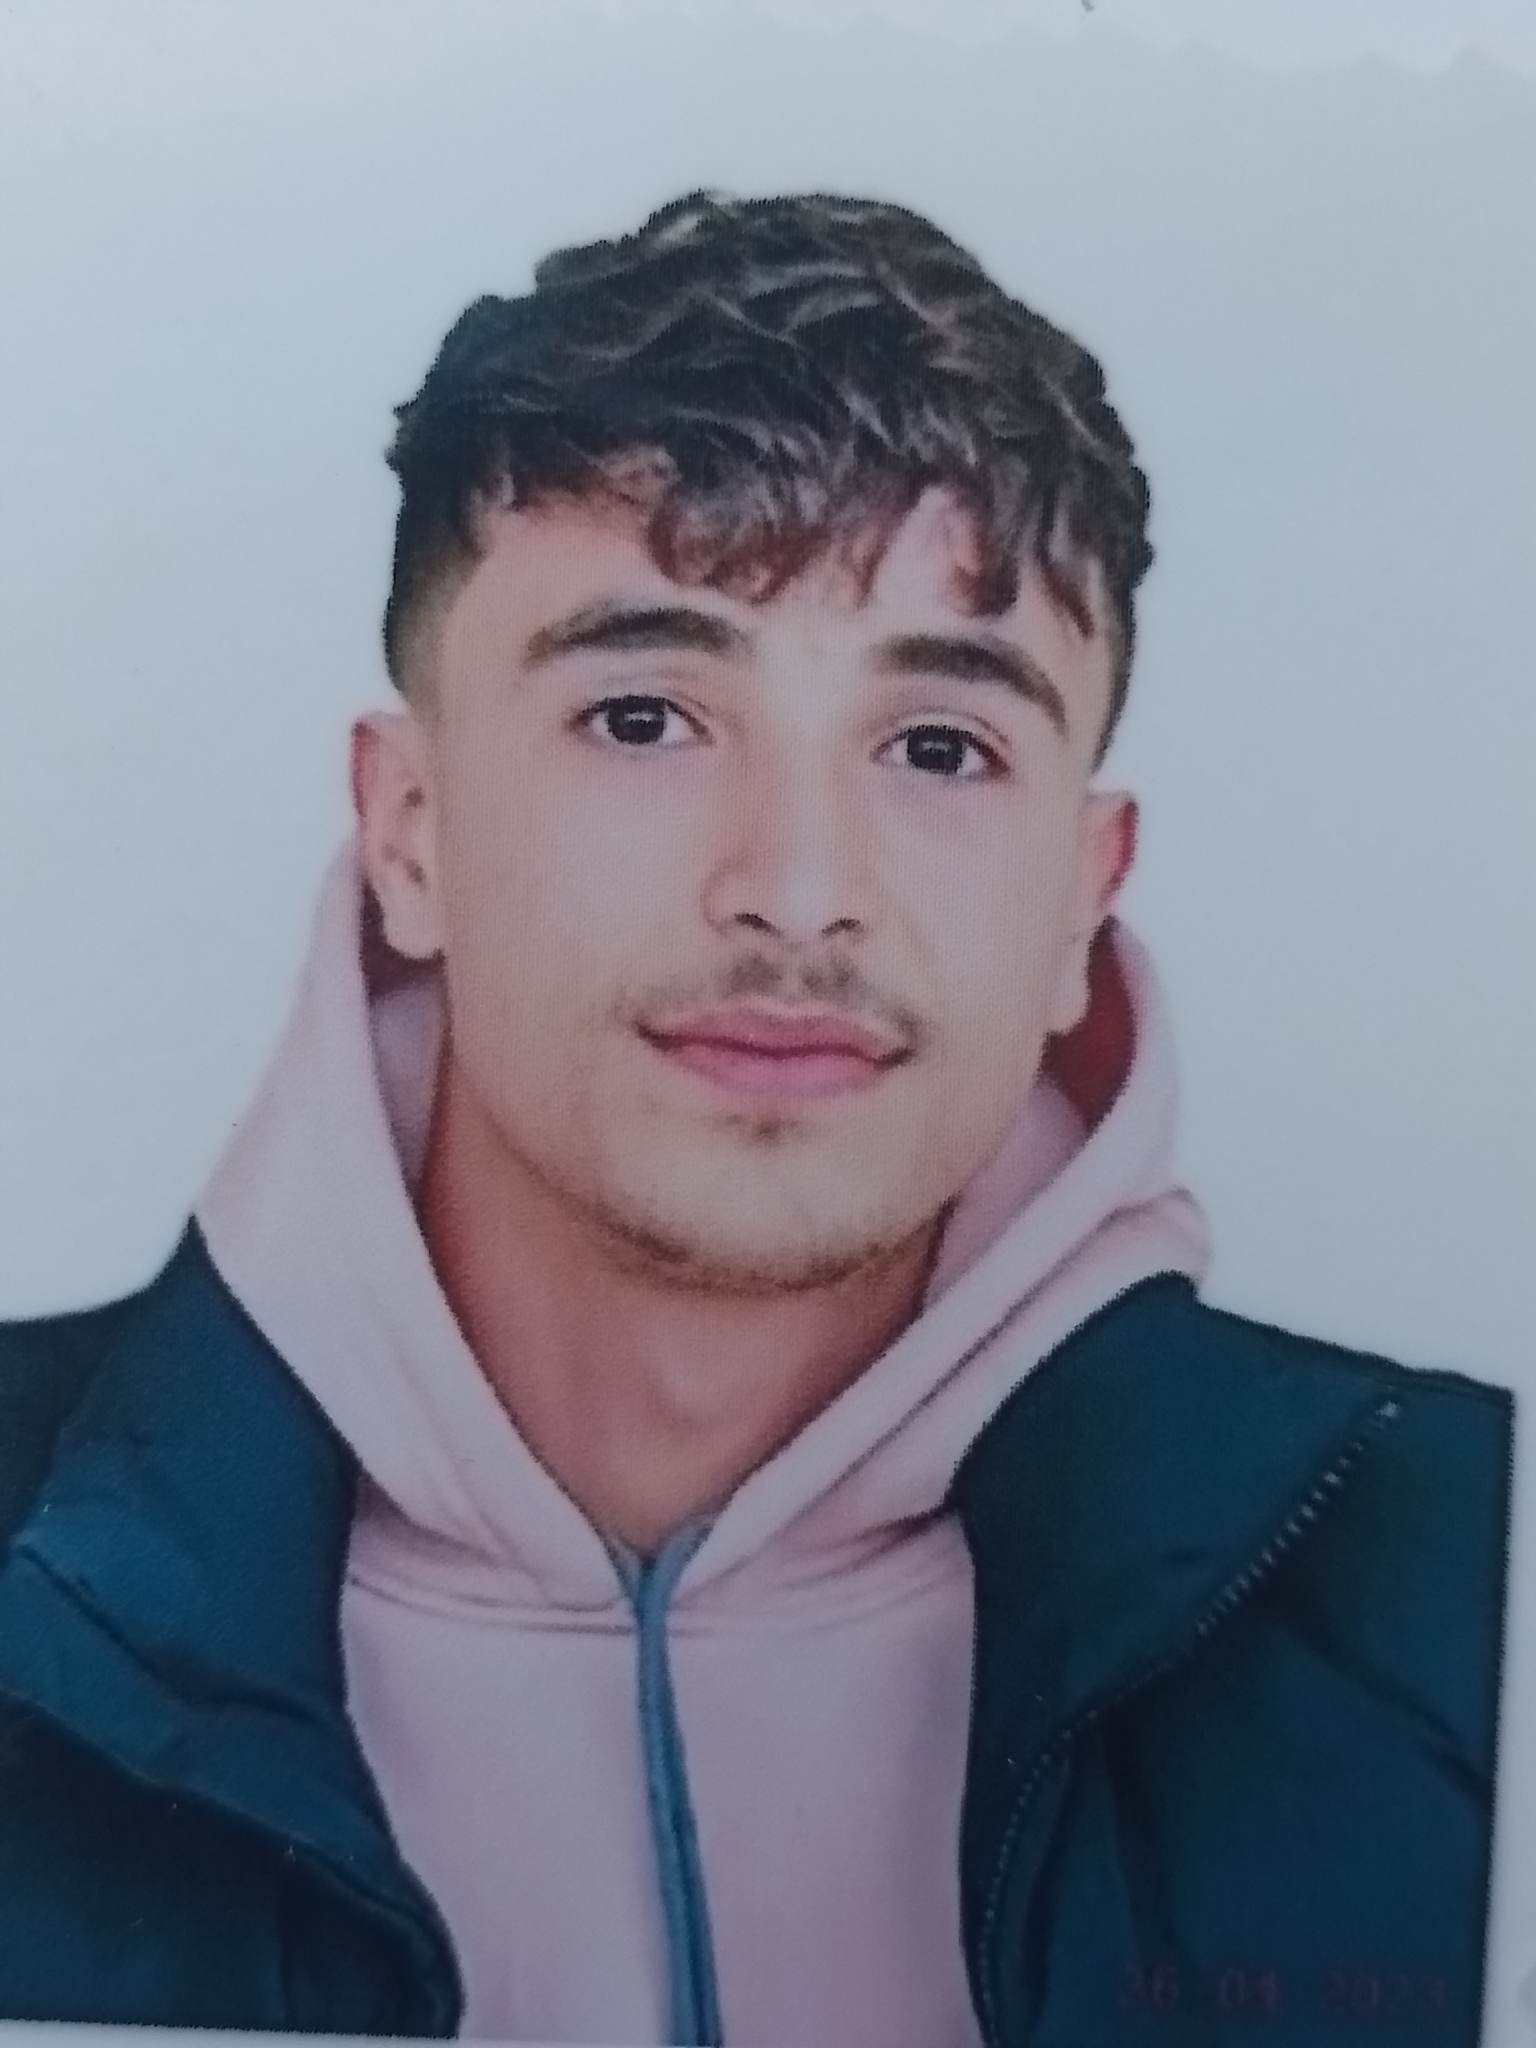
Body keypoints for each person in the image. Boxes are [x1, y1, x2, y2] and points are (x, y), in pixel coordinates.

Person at [0, 189, 1512, 2048]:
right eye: (645, 717)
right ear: (408, 831)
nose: (797, 892)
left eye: (939, 747)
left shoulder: (1474, 1581)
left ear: (1082, 900)